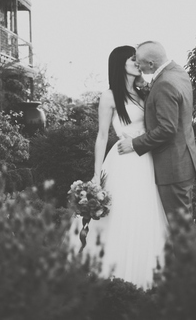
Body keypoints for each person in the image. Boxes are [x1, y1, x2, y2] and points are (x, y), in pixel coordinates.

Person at [68, 45, 168, 290]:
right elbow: (102, 136)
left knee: (145, 211)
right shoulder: (110, 96)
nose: (138, 62)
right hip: (122, 160)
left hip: (146, 158)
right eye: (132, 59)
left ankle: (146, 274)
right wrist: (95, 173)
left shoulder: (144, 92)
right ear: (120, 64)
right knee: (121, 212)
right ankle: (111, 275)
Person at [117, 41, 196, 221]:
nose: (137, 65)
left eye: (139, 61)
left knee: (179, 227)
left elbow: (167, 129)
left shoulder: (164, 83)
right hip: (184, 160)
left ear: (151, 64)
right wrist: (147, 88)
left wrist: (133, 143)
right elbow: (168, 99)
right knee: (183, 221)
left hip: (172, 166)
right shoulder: (178, 72)